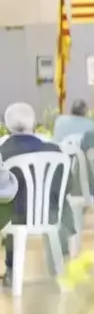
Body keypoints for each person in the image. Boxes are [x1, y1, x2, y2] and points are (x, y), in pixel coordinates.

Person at [0, 103, 74, 286]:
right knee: (60, 204)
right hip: (49, 215)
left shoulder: (2, 152)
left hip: (11, 218)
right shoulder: (54, 150)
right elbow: (67, 186)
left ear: (7, 125)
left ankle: (11, 269)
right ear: (33, 123)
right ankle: (61, 264)